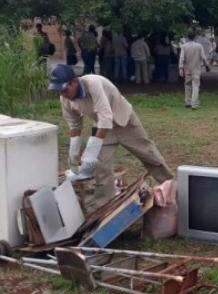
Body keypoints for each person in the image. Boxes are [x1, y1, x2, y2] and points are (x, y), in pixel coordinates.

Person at [48, 64, 173, 205]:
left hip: (125, 121)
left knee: (150, 155)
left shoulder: (93, 83)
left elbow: (106, 116)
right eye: (59, 91)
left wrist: (91, 151)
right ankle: (105, 207)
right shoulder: (65, 99)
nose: (63, 94)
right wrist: (74, 153)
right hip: (102, 128)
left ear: (74, 81)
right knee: (101, 168)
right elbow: (75, 125)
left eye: (65, 89)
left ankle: (175, 189)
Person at [179, 32, 209, 109]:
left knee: (187, 85)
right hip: (196, 69)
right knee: (195, 86)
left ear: (187, 37)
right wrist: (207, 65)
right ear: (195, 38)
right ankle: (194, 104)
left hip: (187, 69)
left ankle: (187, 102)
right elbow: (203, 57)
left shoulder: (184, 46)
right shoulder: (199, 46)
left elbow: (182, 58)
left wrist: (181, 68)